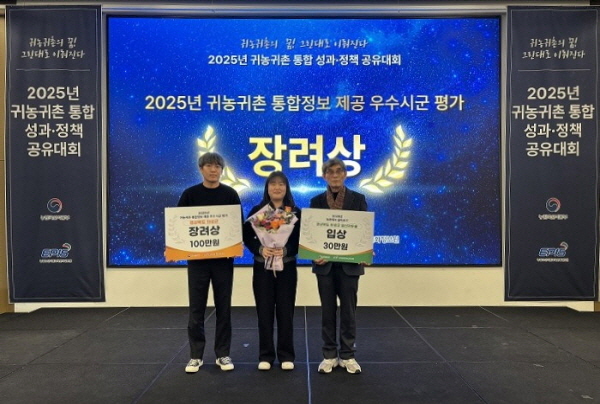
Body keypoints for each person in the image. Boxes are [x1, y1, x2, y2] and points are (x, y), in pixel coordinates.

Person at [178, 152, 241, 373]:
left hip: (223, 261)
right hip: (198, 262)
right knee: (197, 308)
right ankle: (195, 356)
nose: (213, 170)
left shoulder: (230, 194)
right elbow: (179, 225)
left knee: (224, 307)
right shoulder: (190, 194)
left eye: (217, 166)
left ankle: (223, 354)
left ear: (222, 170)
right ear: (200, 169)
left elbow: (237, 225)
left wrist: (236, 244)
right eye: (209, 166)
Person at [310, 158, 369, 375]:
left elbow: (364, 231)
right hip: (325, 267)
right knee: (327, 312)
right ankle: (329, 355)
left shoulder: (358, 199)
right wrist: (314, 256)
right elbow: (312, 234)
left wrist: (365, 250)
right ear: (324, 176)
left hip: (349, 266)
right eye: (330, 172)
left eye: (338, 171)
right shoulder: (316, 201)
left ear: (345, 174)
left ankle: (347, 355)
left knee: (348, 312)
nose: (334, 175)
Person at [243, 171, 300, 371]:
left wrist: (286, 250)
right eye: (273, 184)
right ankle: (265, 355)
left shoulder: (295, 212)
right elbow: (246, 236)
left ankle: (286, 355)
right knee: (264, 312)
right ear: (267, 188)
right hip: (262, 268)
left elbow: (301, 239)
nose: (277, 187)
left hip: (287, 268)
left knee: (286, 311)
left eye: (281, 184)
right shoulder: (258, 211)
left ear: (286, 188)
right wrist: (260, 249)